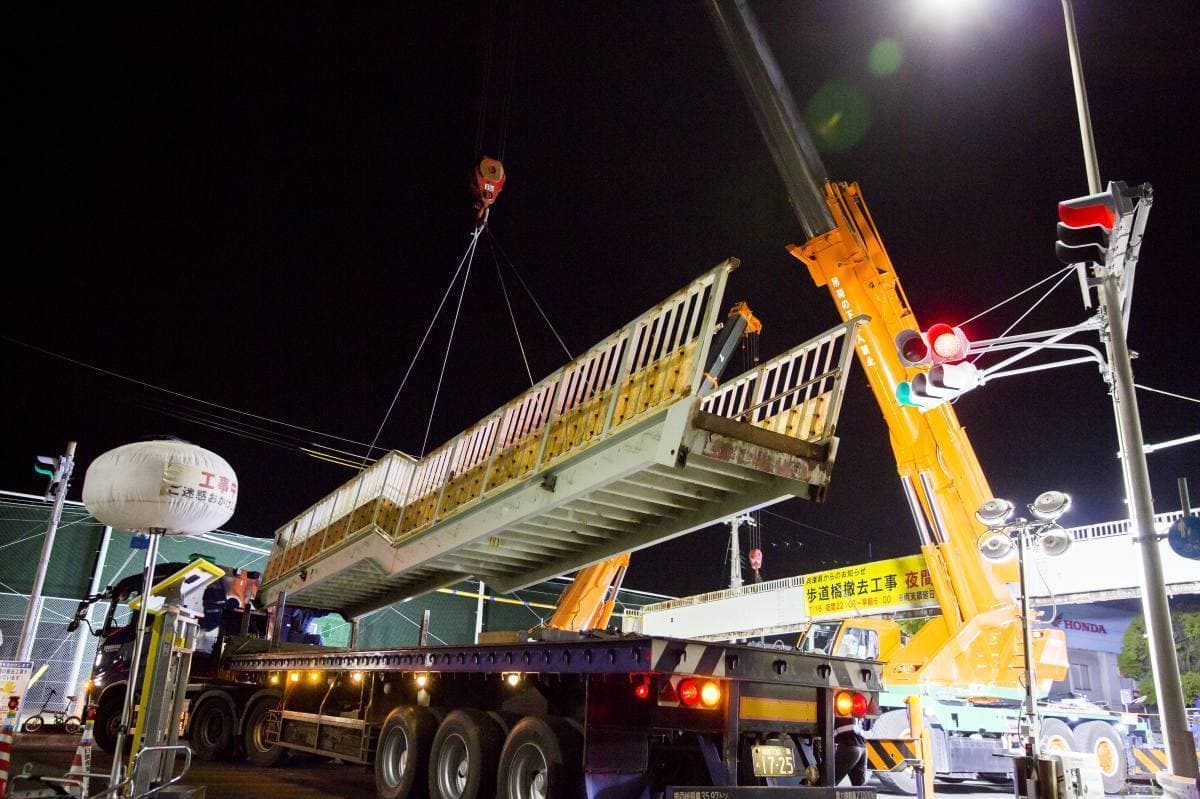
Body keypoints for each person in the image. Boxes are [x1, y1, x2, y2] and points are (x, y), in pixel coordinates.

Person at [834, 716, 868, 786]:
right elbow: (868, 727)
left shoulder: (841, 708)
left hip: (848, 746)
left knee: (827, 783)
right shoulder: (861, 708)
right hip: (863, 748)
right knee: (859, 789)